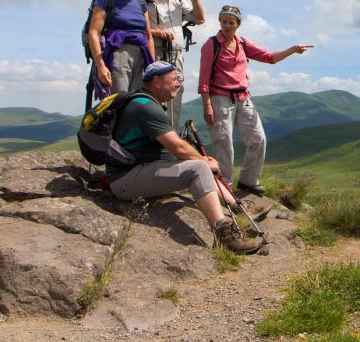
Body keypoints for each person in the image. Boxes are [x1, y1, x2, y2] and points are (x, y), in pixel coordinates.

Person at [107, 61, 264, 254]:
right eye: (174, 79)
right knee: (198, 168)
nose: (178, 84)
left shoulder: (144, 102)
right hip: (126, 179)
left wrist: (199, 159)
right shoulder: (146, 107)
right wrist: (204, 160)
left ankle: (236, 206)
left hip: (136, 171)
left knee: (198, 164)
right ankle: (224, 234)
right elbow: (178, 147)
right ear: (157, 81)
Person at [198, 5, 313, 196]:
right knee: (223, 142)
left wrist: (293, 49)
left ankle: (248, 181)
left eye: (231, 22)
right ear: (219, 22)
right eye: (224, 21)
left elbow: (270, 57)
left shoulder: (242, 43)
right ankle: (225, 185)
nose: (227, 26)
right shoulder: (211, 44)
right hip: (219, 97)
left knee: (258, 139)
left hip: (243, 97)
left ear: (238, 24)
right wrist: (206, 104)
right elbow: (204, 78)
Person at [134, 0, 206, 130]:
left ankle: (169, 146)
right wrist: (157, 33)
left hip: (176, 57)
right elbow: (132, 27)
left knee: (174, 102)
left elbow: (199, 18)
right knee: (152, 102)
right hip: (154, 54)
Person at [88, 0, 156, 100]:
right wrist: (101, 66)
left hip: (141, 56)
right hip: (118, 54)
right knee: (119, 101)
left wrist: (152, 67)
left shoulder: (141, 2)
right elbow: (94, 32)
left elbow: (148, 36)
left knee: (138, 102)